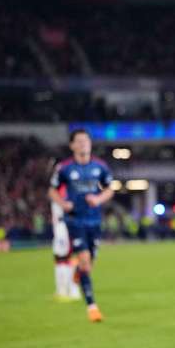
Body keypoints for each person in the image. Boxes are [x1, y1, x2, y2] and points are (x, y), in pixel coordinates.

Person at [48, 129, 114, 323]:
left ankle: (78, 273)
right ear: (72, 145)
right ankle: (92, 307)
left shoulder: (100, 166)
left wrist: (98, 198)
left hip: (95, 220)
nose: (84, 144)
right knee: (84, 259)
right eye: (79, 141)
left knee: (89, 263)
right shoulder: (65, 168)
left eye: (86, 140)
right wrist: (63, 204)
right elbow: (52, 191)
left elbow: (110, 188)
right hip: (75, 220)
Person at [50, 184, 81, 301]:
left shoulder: (64, 187)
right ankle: (65, 290)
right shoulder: (61, 187)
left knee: (65, 258)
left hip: (64, 226)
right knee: (63, 258)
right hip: (62, 226)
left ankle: (68, 290)